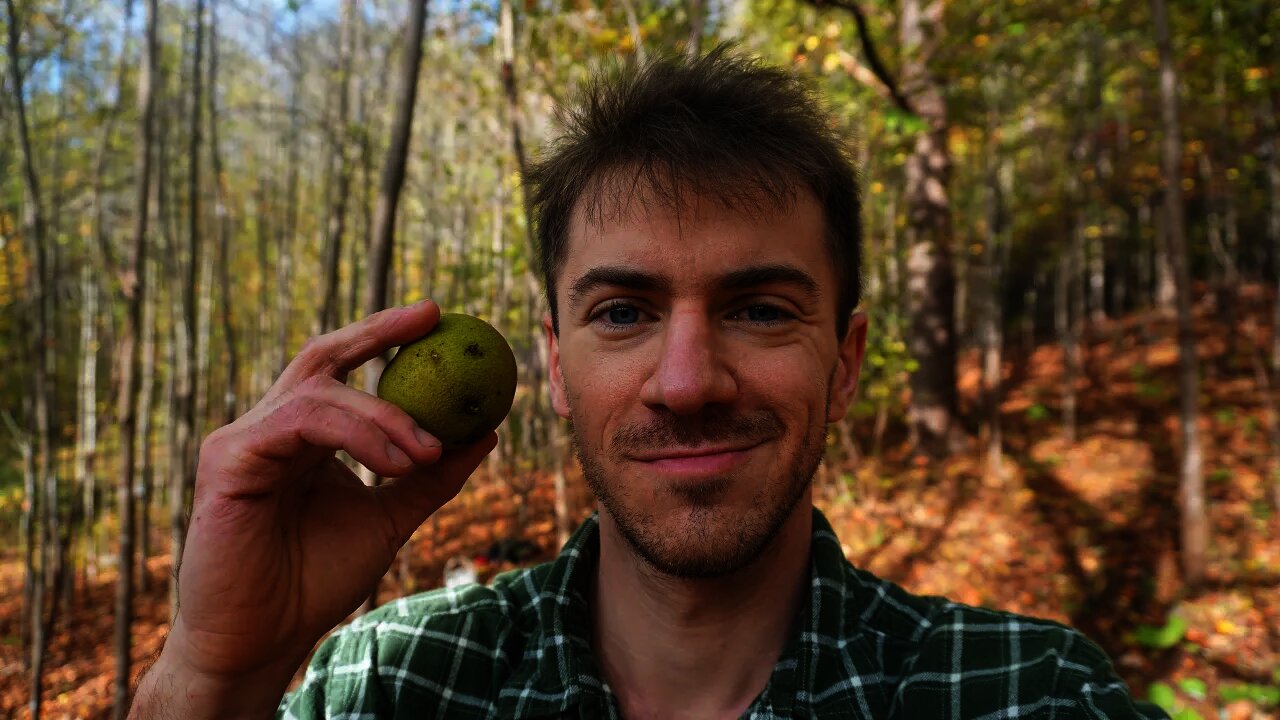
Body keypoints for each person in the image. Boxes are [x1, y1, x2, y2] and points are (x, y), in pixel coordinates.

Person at [130, 47, 1165, 719]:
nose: (685, 383)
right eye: (621, 313)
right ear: (555, 367)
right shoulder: (390, 685)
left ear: (843, 366)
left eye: (758, 308)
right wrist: (214, 671)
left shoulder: (1025, 700)